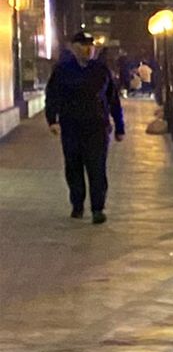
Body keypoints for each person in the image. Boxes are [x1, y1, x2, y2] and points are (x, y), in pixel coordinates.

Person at [45, 31, 125, 223]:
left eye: (91, 45)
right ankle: (77, 204)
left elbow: (113, 100)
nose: (88, 49)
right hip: (71, 126)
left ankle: (98, 208)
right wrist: (52, 120)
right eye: (83, 45)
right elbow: (53, 96)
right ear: (74, 48)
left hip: (97, 127)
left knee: (97, 167)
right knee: (73, 167)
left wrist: (119, 126)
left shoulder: (101, 70)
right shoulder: (63, 70)